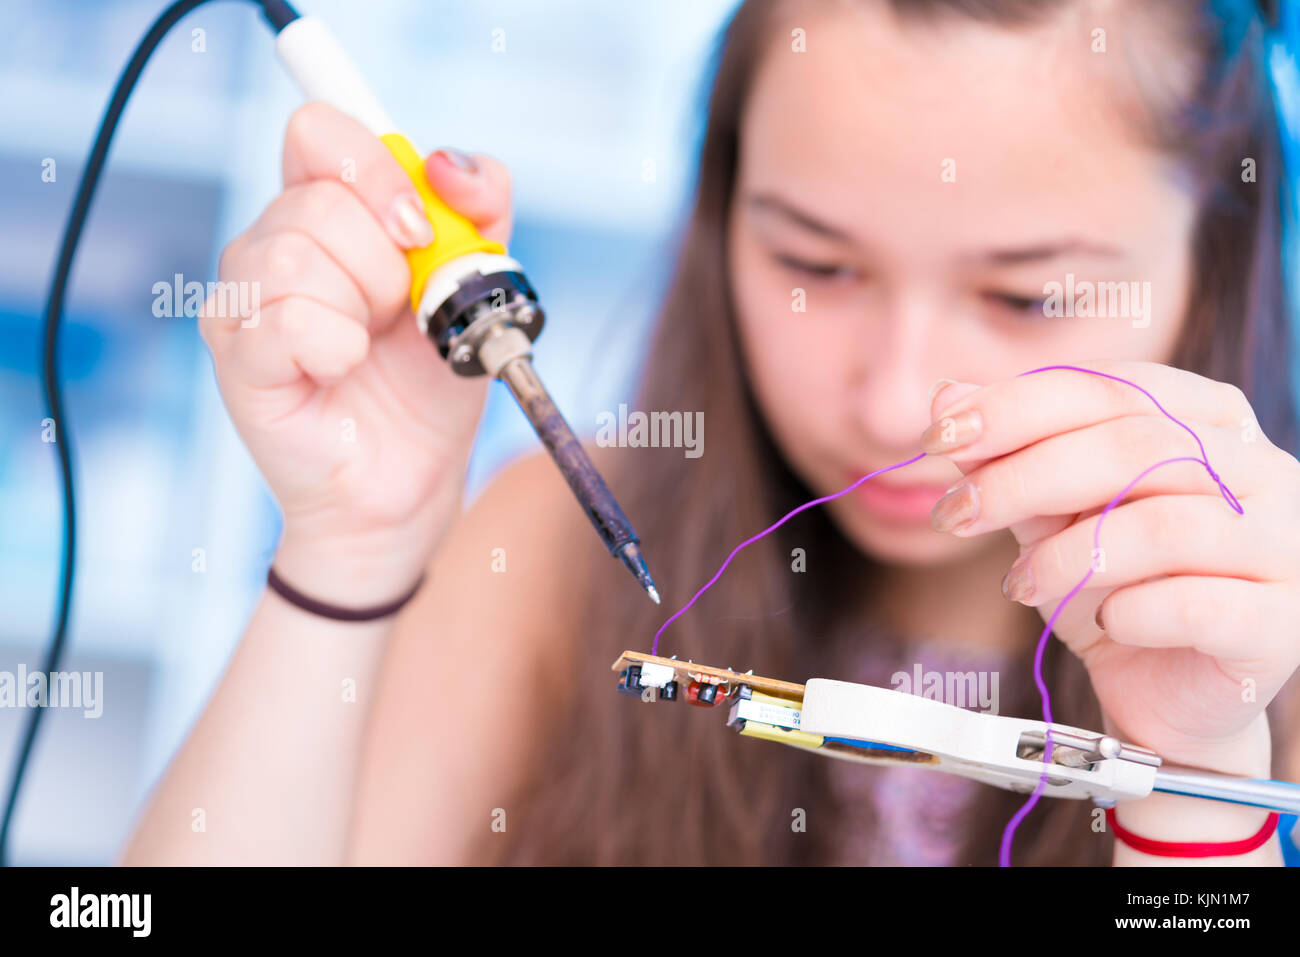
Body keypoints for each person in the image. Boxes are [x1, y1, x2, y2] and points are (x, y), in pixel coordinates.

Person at [122, 0, 1300, 866]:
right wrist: (349, 549)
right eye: (813, 264)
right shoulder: (547, 556)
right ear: (719, 210)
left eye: (1027, 296)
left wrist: (1194, 783)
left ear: (1218, 258)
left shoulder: (1273, 624)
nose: (895, 404)